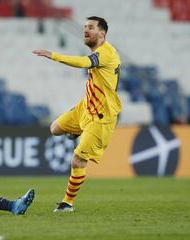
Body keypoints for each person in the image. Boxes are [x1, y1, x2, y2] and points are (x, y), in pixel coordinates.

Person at [33, 16, 121, 212]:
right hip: (86, 107)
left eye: (91, 27)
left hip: (101, 117)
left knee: (77, 160)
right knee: (54, 128)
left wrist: (53, 55)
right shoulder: (99, 50)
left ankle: (67, 203)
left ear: (102, 33)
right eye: (84, 27)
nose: (85, 30)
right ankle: (79, 131)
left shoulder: (106, 53)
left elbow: (84, 63)